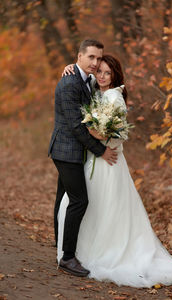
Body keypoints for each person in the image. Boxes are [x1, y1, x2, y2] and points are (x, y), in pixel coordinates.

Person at [57, 55, 172, 287]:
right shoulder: (95, 88)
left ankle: (108, 251)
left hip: (108, 160)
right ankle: (75, 251)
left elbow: (119, 134)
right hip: (93, 158)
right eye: (100, 71)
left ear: (115, 76)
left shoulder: (115, 97)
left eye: (107, 73)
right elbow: (82, 74)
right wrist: (70, 66)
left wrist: (94, 134)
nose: (102, 76)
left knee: (107, 207)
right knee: (85, 204)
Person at [48, 40, 118, 278]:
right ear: (79, 56)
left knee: (64, 198)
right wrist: (101, 150)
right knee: (80, 201)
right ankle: (67, 257)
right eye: (91, 57)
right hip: (67, 151)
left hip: (71, 150)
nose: (95, 63)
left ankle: (60, 245)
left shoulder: (85, 78)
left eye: (98, 58)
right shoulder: (69, 83)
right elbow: (77, 127)